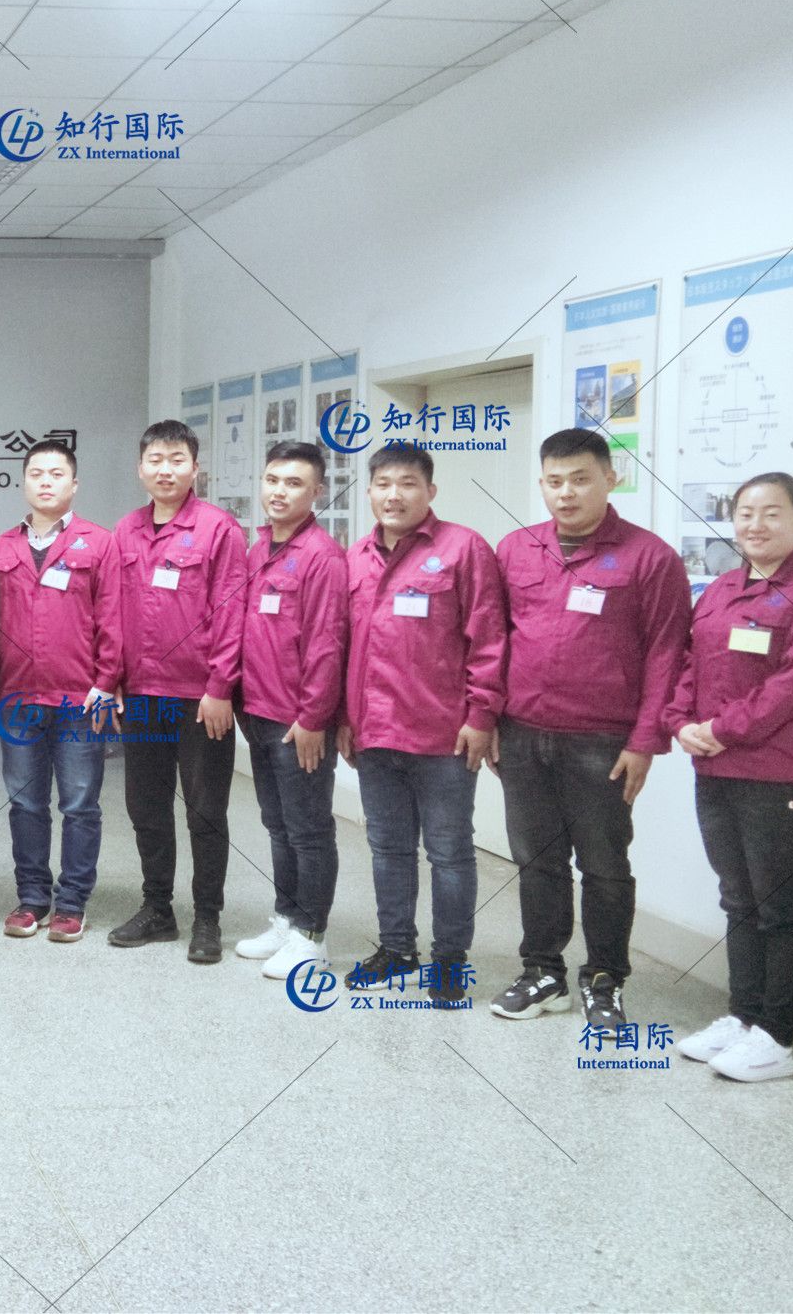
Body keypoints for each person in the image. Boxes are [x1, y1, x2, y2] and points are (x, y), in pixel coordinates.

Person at [490, 429, 690, 1029]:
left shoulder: (650, 557)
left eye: (580, 479)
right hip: (522, 732)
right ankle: (542, 972)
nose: (566, 493)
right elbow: (493, 640)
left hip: (602, 741)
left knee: (603, 865)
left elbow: (667, 654)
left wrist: (645, 741)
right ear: (542, 484)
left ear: (610, 478)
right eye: (554, 481)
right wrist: (487, 717)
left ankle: (605, 978)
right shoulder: (517, 548)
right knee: (537, 859)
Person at [666, 473, 793, 1082]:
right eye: (745, 513)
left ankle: (777, 1038)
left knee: (780, 906)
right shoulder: (721, 588)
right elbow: (691, 661)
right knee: (738, 898)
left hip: (783, 771)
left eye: (772, 513)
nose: (756, 525)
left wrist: (722, 728)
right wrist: (681, 721)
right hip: (717, 766)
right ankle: (744, 1016)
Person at [340, 443, 505, 1005]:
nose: (394, 495)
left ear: (430, 491)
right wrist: (345, 718)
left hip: (443, 735)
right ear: (369, 491)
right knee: (387, 849)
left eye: (408, 483)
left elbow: (488, 639)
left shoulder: (463, 549)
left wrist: (481, 715)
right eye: (383, 484)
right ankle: (397, 949)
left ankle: (450, 962)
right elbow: (346, 646)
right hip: (374, 733)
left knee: (450, 852)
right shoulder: (356, 557)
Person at [107, 420, 245, 962]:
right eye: (156, 460)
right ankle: (157, 909)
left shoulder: (219, 529)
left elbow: (231, 612)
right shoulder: (126, 530)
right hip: (142, 694)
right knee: (146, 807)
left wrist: (221, 686)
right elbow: (112, 613)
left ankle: (207, 918)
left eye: (177, 459)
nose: (166, 470)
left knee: (205, 811)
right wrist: (114, 681)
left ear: (195, 467)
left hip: (199, 697)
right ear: (140, 468)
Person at [0, 440, 123, 943]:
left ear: (74, 484)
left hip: (80, 700)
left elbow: (112, 620)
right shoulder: (1, 550)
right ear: (24, 482)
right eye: (36, 472)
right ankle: (32, 898)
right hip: (18, 700)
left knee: (80, 805)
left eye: (56, 473)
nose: (45, 481)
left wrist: (106, 683)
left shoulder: (99, 543)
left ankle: (72, 903)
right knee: (25, 804)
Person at [234, 442, 349, 979]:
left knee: (308, 829)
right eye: (273, 480)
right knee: (277, 824)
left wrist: (313, 719)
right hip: (257, 711)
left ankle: (311, 935)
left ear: (317, 492)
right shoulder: (259, 548)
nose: (279, 491)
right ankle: (286, 919)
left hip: (297, 720)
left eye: (294, 483)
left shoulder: (323, 556)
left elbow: (327, 644)